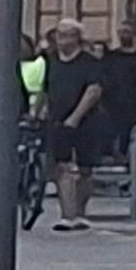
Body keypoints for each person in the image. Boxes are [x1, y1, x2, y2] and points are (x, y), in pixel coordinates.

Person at [38, 21, 111, 232]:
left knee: (85, 169)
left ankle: (80, 212)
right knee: (62, 167)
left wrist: (76, 117)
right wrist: (38, 110)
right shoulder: (50, 61)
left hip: (86, 121)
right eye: (59, 35)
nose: (62, 40)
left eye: (68, 35)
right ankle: (67, 215)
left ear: (77, 37)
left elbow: (93, 90)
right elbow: (43, 88)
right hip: (57, 120)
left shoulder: (89, 62)